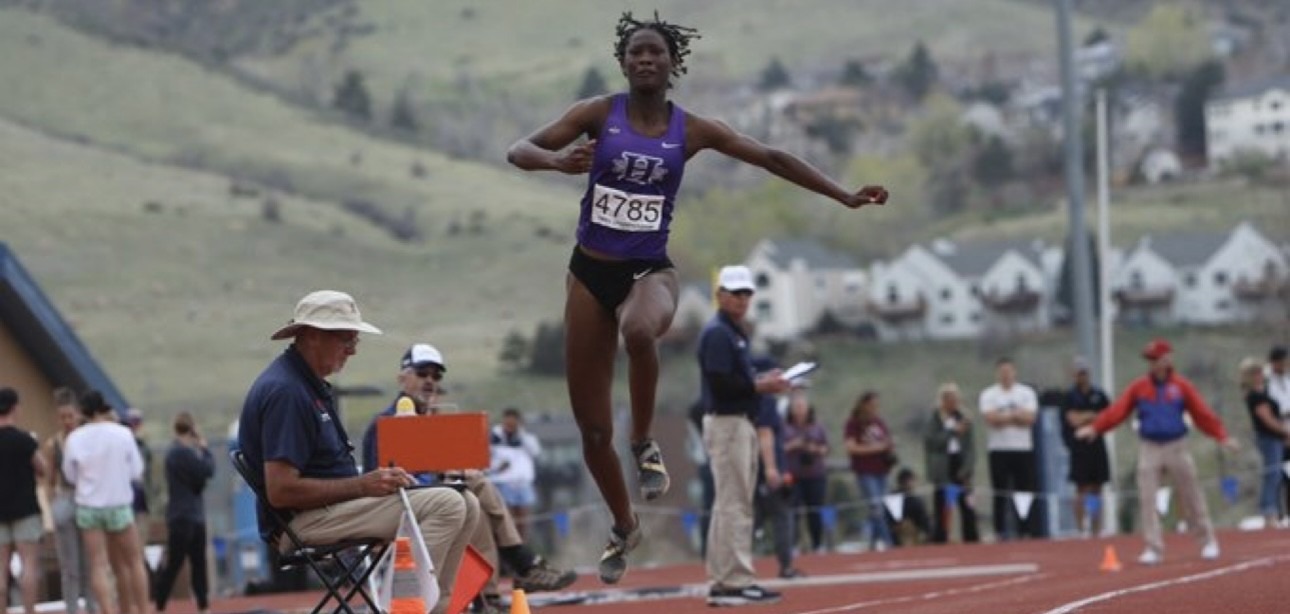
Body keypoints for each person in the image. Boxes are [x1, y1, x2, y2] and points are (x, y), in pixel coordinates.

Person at [506, 11, 888, 582]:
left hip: (650, 272)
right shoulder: (597, 113)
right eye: (635, 52)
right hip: (588, 273)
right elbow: (519, 149)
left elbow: (771, 157)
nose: (645, 59)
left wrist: (843, 195)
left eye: (655, 52)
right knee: (592, 432)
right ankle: (624, 524)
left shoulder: (693, 130)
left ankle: (643, 442)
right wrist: (556, 161)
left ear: (672, 63)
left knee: (640, 331)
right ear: (623, 63)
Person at [237, 290, 479, 614]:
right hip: (305, 522)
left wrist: (369, 484)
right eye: (346, 338)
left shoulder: (303, 383)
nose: (352, 349)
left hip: (330, 509)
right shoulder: (287, 392)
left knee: (467, 501)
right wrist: (364, 485)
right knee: (447, 504)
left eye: (355, 340)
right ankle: (406, 609)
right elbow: (281, 491)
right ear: (312, 335)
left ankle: (438, 609)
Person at [359, 344, 576, 611]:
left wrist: (450, 474)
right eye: (422, 373)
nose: (430, 380)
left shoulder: (435, 423)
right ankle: (520, 562)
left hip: (436, 503)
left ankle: (489, 598)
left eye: (436, 376)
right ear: (402, 378)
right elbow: (381, 482)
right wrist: (444, 476)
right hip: (399, 507)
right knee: (474, 483)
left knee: (474, 503)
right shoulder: (384, 423)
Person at [1077, 339, 1237, 564]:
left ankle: (1207, 540)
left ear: (1167, 359)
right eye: (1150, 360)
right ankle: (1153, 547)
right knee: (1147, 497)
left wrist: (1222, 436)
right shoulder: (1139, 387)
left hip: (1177, 444)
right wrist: (1096, 428)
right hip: (1150, 446)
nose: (1153, 364)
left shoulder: (1181, 387)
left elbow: (1202, 413)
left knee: (1191, 494)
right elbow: (1118, 410)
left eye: (1156, 359)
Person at [698, 265, 788, 606]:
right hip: (728, 422)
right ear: (720, 295)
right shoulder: (719, 334)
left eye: (747, 293)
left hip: (737, 421)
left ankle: (725, 579)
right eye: (735, 293)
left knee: (730, 504)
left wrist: (761, 381)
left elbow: (731, 380)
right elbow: (720, 383)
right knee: (734, 505)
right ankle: (734, 581)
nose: (742, 299)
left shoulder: (731, 332)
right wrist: (760, 385)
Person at [63, 390, 150, 614]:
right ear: (103, 407)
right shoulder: (122, 434)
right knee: (133, 562)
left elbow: (70, 475)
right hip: (119, 503)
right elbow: (137, 470)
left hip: (89, 507)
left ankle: (108, 610)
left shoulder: (75, 438)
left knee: (99, 565)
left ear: (82, 411)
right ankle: (142, 609)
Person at [153, 412, 214, 614]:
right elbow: (207, 470)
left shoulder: (172, 453)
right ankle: (202, 606)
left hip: (181, 515)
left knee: (176, 563)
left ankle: (160, 604)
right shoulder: (184, 453)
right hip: (190, 515)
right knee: (195, 564)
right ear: (192, 429)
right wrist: (204, 449)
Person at [43, 387, 96, 614]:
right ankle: (72, 609)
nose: (67, 422)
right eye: (62, 417)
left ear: (78, 414)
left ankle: (93, 606)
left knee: (90, 562)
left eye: (70, 416)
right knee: (69, 565)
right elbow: (49, 479)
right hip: (66, 499)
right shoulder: (53, 444)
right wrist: (53, 505)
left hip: (87, 499)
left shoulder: (88, 440)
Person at [978, 357, 1039, 540]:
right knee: (1000, 492)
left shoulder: (1026, 393)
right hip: (998, 449)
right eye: (1002, 372)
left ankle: (1025, 530)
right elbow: (991, 419)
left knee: (1024, 491)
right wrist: (1015, 416)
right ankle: (1000, 531)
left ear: (1015, 372)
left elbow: (1030, 418)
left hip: (1022, 449)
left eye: (1009, 371)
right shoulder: (989, 394)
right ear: (997, 374)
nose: (1006, 375)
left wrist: (1004, 416)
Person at [751, 357, 800, 580]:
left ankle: (734, 566)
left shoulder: (748, 399)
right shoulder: (766, 400)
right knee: (780, 517)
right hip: (766, 470)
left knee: (752, 519)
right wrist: (772, 468)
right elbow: (765, 433)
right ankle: (786, 566)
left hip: (752, 468)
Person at [0, 387, 48, 614]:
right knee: (28, 565)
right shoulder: (25, 440)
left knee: (1, 569)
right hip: (26, 509)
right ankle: (29, 610)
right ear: (15, 408)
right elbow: (43, 469)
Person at [1060, 358, 1111, 537]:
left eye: (1085, 373)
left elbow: (1107, 416)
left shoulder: (1099, 394)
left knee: (1096, 488)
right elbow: (1072, 420)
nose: (1082, 377)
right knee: (1081, 488)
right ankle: (1081, 528)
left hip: (1096, 445)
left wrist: (1086, 417)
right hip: (1079, 448)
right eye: (1079, 373)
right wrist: (1091, 416)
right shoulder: (1070, 396)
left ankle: (1095, 528)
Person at [923, 382, 979, 545]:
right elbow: (932, 442)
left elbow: (970, 447)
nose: (953, 403)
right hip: (943, 466)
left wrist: (967, 468)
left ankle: (971, 537)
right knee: (942, 506)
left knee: (967, 504)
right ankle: (940, 538)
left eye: (955, 399)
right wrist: (952, 432)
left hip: (960, 463)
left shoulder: (964, 418)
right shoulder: (934, 420)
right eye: (949, 399)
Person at [843, 390, 896, 551]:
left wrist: (889, 447)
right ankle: (888, 542)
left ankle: (874, 544)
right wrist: (876, 448)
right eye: (872, 405)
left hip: (882, 470)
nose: (875, 408)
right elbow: (851, 447)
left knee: (880, 508)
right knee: (875, 506)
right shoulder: (853, 423)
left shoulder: (879, 422)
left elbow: (886, 440)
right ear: (864, 405)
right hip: (865, 471)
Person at [781, 387, 829, 553]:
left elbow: (826, 448)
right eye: (797, 406)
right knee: (793, 511)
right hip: (792, 476)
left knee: (815, 510)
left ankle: (817, 544)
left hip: (815, 474)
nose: (800, 410)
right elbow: (778, 449)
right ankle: (793, 544)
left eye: (802, 406)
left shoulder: (817, 427)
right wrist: (793, 445)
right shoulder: (784, 428)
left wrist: (813, 448)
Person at [1240, 357, 1286, 528]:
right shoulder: (1255, 396)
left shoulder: (1264, 391)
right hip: (1268, 438)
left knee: (1277, 474)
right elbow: (1267, 419)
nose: (1260, 376)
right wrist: (1285, 431)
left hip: (1275, 437)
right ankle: (1268, 510)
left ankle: (1274, 510)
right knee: (1272, 474)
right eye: (1257, 373)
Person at [489, 408, 542, 541]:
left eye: (513, 424)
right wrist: (497, 468)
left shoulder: (526, 438)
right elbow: (486, 461)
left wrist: (520, 434)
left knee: (523, 519)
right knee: (507, 517)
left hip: (522, 483)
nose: (510, 427)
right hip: (503, 482)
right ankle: (508, 543)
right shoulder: (494, 438)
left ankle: (521, 544)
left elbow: (535, 452)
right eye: (508, 424)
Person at [1264, 346, 1290, 521]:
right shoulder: (1267, 382)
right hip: (1276, 432)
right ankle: (1275, 512)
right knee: (1276, 474)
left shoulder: (1286, 379)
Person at [888, 468, 931, 547]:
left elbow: (923, 517)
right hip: (899, 530)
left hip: (914, 530)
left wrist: (924, 531)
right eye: (909, 481)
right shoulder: (894, 499)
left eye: (912, 481)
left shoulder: (915, 499)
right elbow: (893, 520)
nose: (912, 483)